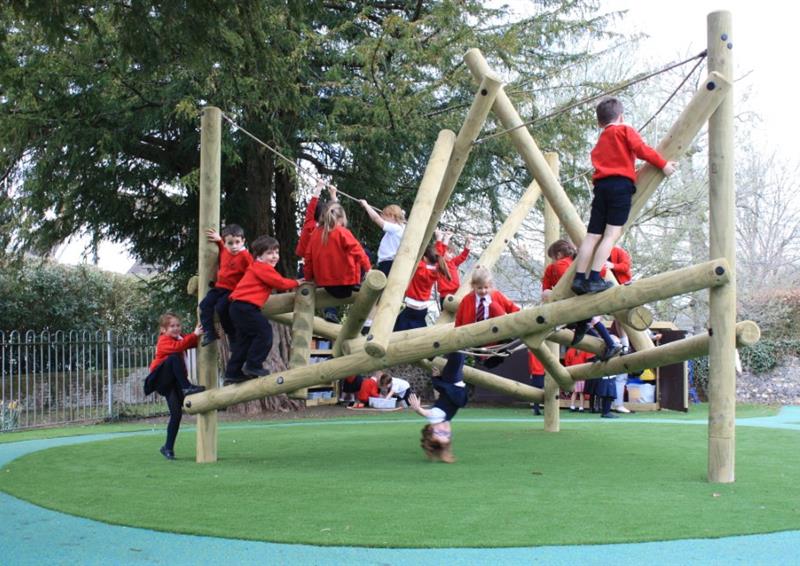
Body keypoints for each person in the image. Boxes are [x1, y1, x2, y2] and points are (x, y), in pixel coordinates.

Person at [571, 97, 677, 296]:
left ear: (599, 123)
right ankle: (594, 278)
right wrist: (663, 165)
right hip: (620, 186)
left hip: (601, 187)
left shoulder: (601, 141)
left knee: (593, 235)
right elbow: (642, 150)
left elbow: (602, 160)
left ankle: (579, 278)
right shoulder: (625, 130)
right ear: (621, 116)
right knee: (611, 234)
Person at [226, 236, 301, 382]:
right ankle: (253, 365)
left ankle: (232, 372)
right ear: (259, 256)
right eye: (269, 253)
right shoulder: (262, 267)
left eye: (276, 252)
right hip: (245, 307)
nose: (274, 256)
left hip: (238, 307)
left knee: (244, 341)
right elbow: (279, 283)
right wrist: (296, 282)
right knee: (265, 333)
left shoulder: (256, 266)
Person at [542, 240, 621, 361]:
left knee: (585, 322)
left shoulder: (559, 265)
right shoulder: (578, 262)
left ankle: (609, 345)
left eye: (552, 257)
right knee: (587, 322)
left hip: (573, 301)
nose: (552, 260)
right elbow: (602, 271)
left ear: (558, 254)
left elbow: (550, 289)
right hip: (583, 297)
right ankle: (607, 345)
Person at [144, 313, 205, 460]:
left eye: (178, 325)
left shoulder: (179, 338)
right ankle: (186, 387)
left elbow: (191, 342)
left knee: (176, 414)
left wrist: (203, 335)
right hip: (161, 379)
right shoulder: (164, 340)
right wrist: (194, 334)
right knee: (173, 356)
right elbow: (179, 347)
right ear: (163, 330)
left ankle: (168, 448)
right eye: (172, 326)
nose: (176, 328)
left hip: (172, 382)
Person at [407, 354, 468, 464]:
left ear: (431, 429)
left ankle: (433, 353)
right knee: (458, 356)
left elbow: (427, 413)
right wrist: (436, 377)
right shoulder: (445, 418)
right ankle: (436, 353)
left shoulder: (436, 418)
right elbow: (440, 397)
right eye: (447, 434)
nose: (445, 430)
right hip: (452, 385)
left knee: (458, 355)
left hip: (452, 383)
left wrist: (417, 408)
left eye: (440, 433)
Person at [199, 224, 253, 346]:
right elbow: (221, 244)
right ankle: (210, 332)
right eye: (230, 243)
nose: (234, 246)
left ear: (243, 241)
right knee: (204, 305)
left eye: (237, 242)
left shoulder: (245, 256)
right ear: (225, 243)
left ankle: (232, 335)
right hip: (219, 288)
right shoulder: (225, 250)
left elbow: (253, 270)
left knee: (221, 308)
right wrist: (218, 239)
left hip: (232, 290)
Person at [304, 202, 371, 299]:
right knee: (365, 252)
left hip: (327, 286)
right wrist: (369, 269)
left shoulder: (315, 234)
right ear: (341, 218)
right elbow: (358, 251)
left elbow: (308, 259)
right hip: (347, 283)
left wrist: (308, 279)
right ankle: (359, 282)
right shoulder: (341, 232)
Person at [392, 244, 450, 332]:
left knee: (398, 329)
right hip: (423, 307)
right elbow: (438, 256)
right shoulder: (436, 271)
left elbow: (414, 257)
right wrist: (442, 243)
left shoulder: (419, 268)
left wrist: (441, 242)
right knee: (414, 330)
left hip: (411, 305)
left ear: (424, 258)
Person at [295, 180, 338, 273]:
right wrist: (322, 189)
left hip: (319, 265)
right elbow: (312, 206)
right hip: (307, 264)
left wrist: (332, 195)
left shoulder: (326, 227)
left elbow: (337, 215)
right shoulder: (310, 222)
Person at [359, 199, 406, 276]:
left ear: (392, 216)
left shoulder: (395, 228)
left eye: (384, 217)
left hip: (388, 263)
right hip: (387, 263)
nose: (383, 220)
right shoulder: (401, 228)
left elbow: (376, 219)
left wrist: (366, 205)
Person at [435, 230, 471, 307]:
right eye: (449, 252)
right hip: (445, 296)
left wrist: (468, 243)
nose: (452, 255)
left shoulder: (453, 262)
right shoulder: (439, 263)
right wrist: (445, 238)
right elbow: (439, 252)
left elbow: (463, 256)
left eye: (452, 253)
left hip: (456, 293)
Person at [563, 347, 593, 412]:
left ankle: (572, 406)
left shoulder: (570, 350)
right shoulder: (584, 349)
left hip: (573, 373)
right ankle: (581, 407)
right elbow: (588, 361)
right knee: (581, 392)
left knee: (574, 391)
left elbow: (567, 362)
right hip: (582, 373)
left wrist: (570, 370)